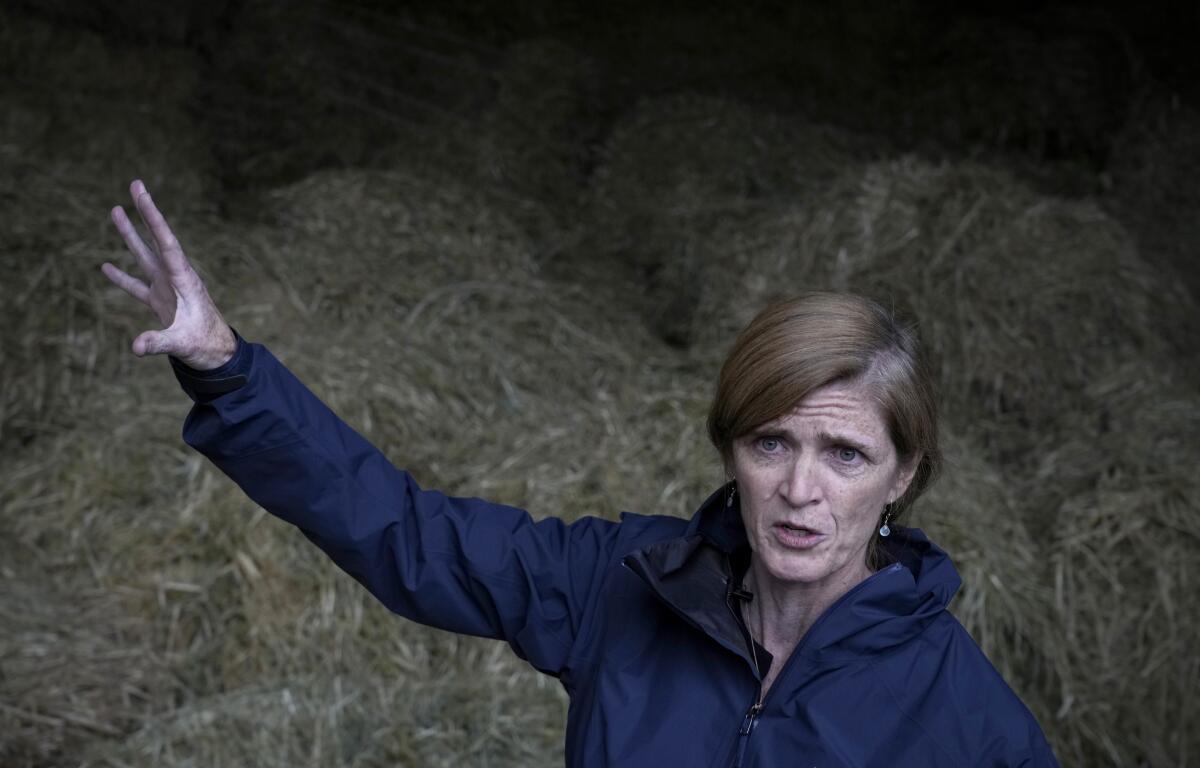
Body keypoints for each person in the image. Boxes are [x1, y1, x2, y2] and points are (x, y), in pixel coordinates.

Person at [102, 179, 1060, 767]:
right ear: (731, 450)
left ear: (903, 477)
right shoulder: (625, 584)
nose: (801, 489)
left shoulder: (967, 720)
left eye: (846, 454)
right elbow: (407, 534)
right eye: (772, 443)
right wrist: (227, 368)